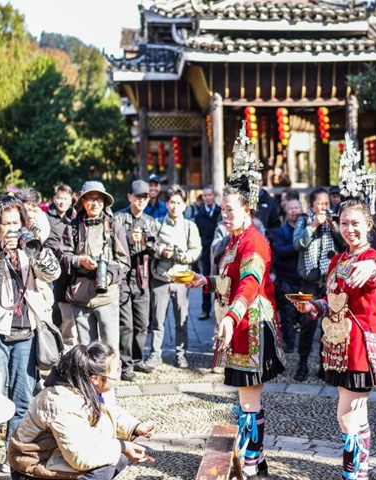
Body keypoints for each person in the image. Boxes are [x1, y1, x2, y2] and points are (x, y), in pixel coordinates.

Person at [186, 129, 285, 478]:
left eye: (230, 210)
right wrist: (207, 281)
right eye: (222, 210)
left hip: (251, 325)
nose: (224, 216)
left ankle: (254, 460)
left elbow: (250, 283)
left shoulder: (253, 242)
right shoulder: (233, 242)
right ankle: (254, 456)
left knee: (249, 397)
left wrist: (230, 317)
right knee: (245, 397)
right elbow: (231, 279)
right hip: (239, 324)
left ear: (247, 209)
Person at [292, 137, 376, 479]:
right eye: (344, 223)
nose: (349, 229)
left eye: (355, 223)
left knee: (347, 415)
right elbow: (331, 299)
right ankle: (358, 474)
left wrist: (368, 268)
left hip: (359, 345)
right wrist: (313, 306)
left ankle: (354, 474)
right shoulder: (337, 260)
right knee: (353, 415)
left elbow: (374, 273)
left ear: (368, 226)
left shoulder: (373, 259)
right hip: (337, 345)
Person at [0, 194, 62, 479]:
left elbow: (53, 273)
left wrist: (37, 251)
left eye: (16, 222)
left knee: (22, 401)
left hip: (26, 332)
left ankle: (17, 465)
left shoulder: (29, 246)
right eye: (6, 223)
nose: (12, 229)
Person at [7, 342, 155, 480]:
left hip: (56, 453)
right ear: (95, 379)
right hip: (31, 465)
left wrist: (135, 427)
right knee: (104, 468)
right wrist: (122, 446)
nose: (119, 375)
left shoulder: (88, 385)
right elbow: (81, 458)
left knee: (117, 459)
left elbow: (109, 412)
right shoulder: (63, 402)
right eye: (116, 371)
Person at [60, 181, 130, 349]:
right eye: (90, 199)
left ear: (104, 202)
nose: (94, 203)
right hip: (80, 296)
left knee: (110, 348)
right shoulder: (72, 228)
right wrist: (79, 260)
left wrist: (107, 275)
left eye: (98, 199)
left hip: (107, 296)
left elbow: (124, 262)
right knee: (86, 349)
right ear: (83, 202)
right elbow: (62, 256)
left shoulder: (114, 226)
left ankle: (111, 369)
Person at [145, 185, 201, 370]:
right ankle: (155, 354)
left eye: (178, 203)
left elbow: (196, 250)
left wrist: (180, 256)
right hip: (160, 277)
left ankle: (181, 354)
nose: (175, 206)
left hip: (181, 279)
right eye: (171, 202)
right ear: (166, 204)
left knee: (181, 320)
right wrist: (161, 251)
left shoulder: (189, 226)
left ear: (184, 205)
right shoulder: (157, 223)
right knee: (157, 320)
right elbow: (149, 245)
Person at [293, 187, 342, 381]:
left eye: (326, 203)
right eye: (320, 204)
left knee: (328, 324)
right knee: (307, 324)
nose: (324, 207)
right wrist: (313, 226)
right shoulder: (304, 220)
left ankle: (324, 364)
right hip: (309, 281)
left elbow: (344, 244)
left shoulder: (335, 219)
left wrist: (334, 227)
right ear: (312, 206)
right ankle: (303, 363)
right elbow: (298, 244)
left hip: (330, 281)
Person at [114, 180, 159, 380]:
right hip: (123, 276)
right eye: (138, 196)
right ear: (130, 197)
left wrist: (147, 243)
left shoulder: (150, 221)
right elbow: (112, 246)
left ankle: (137, 359)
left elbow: (156, 250)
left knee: (142, 323)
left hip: (142, 276)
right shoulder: (118, 218)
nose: (141, 200)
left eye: (145, 197)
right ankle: (125, 365)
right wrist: (129, 241)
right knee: (126, 325)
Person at [270, 198, 303, 352]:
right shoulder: (280, 231)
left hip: (303, 280)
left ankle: (303, 345)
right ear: (286, 211)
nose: (294, 211)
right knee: (287, 314)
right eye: (291, 208)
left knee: (302, 313)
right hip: (287, 280)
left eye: (297, 207)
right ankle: (289, 344)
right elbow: (280, 251)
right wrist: (298, 245)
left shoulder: (307, 230)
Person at [44, 185, 74, 329]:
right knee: (53, 304)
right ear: (53, 199)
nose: (62, 202)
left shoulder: (73, 217)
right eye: (59, 198)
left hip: (68, 267)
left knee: (67, 305)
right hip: (50, 265)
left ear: (71, 200)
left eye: (65, 199)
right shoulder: (46, 217)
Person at [193, 185, 222, 320]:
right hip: (205, 253)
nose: (208, 197)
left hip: (218, 252)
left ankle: (218, 309)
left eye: (210, 195)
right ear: (202, 197)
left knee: (219, 281)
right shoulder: (199, 215)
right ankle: (205, 309)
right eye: (205, 195)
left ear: (213, 196)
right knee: (204, 280)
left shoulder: (220, 212)